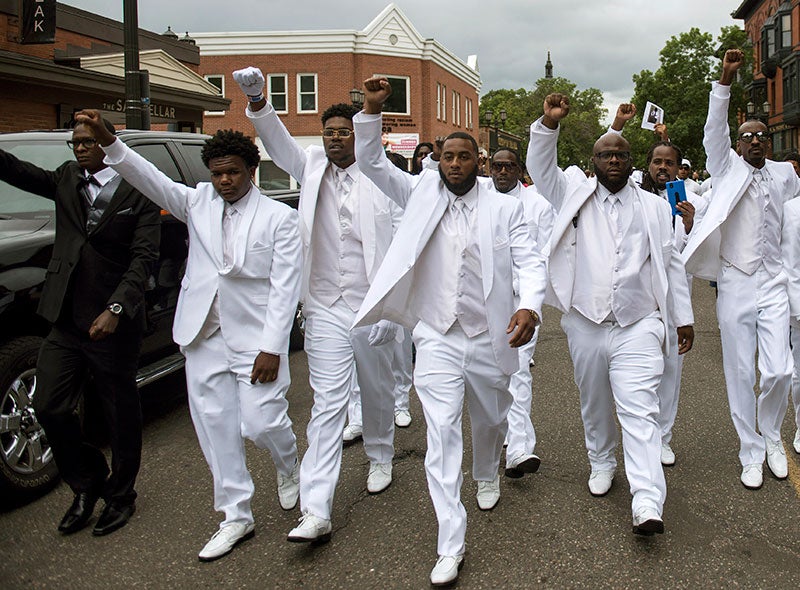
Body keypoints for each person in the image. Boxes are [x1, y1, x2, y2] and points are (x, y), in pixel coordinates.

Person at [75, 111, 302, 561]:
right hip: (202, 336)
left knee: (261, 423)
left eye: (233, 173)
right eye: (217, 174)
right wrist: (111, 142)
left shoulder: (280, 218)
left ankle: (289, 464)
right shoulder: (197, 202)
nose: (224, 182)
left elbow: (285, 286)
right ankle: (235, 515)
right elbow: (150, 178)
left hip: (256, 340)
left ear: (250, 172)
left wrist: (273, 346)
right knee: (216, 429)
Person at [352, 76, 547, 586]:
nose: (455, 164)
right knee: (440, 434)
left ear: (478, 161)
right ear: (437, 159)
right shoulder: (417, 192)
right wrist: (372, 110)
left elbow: (530, 259)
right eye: (447, 156)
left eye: (464, 157)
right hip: (436, 334)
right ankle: (450, 542)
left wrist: (529, 306)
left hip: (488, 334)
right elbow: (371, 163)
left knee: (490, 417)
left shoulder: (506, 206)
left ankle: (487, 471)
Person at [233, 66, 402, 544]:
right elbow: (278, 140)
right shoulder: (308, 166)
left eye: (343, 133)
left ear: (357, 137)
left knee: (376, 387)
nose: (333, 140)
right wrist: (259, 99)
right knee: (328, 403)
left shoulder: (381, 173)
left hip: (371, 302)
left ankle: (382, 454)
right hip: (325, 301)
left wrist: (393, 308)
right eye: (328, 133)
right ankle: (316, 509)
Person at [527, 96, 694, 536]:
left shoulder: (655, 207)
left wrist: (683, 317)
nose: (613, 159)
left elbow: (671, 263)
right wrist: (548, 122)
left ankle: (646, 500)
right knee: (594, 400)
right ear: (593, 161)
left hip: (639, 322)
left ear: (631, 160)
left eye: (620, 154)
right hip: (585, 320)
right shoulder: (571, 193)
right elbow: (541, 164)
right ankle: (601, 461)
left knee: (640, 408)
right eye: (605, 154)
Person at [0, 118, 160, 536]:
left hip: (114, 324)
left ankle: (121, 496)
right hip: (67, 319)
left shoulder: (137, 187)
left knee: (119, 416)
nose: (81, 149)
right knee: (49, 406)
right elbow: (18, 171)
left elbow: (143, 259)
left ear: (108, 143)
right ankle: (87, 483)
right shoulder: (67, 177)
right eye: (76, 143)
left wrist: (116, 309)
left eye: (88, 142)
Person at [683, 49, 800, 489]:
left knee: (779, 370)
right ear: (737, 143)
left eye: (761, 136)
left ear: (768, 142)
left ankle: (772, 436)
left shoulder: (785, 175)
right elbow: (714, 131)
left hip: (773, 282)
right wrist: (724, 81)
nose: (755, 141)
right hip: (734, 280)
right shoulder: (725, 166)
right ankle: (749, 450)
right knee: (739, 370)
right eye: (747, 135)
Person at [610, 106, 707, 466]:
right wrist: (619, 124)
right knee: (634, 374)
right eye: (657, 161)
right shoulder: (630, 191)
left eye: (670, 163)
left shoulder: (687, 199)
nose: (663, 167)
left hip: (672, 299)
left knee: (670, 370)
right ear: (646, 165)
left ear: (679, 169)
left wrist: (691, 225)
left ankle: (662, 435)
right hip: (637, 299)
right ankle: (637, 434)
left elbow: (687, 255)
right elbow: (608, 156)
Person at [488, 148, 555, 477]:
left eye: (509, 166)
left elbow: (542, 256)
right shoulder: (478, 200)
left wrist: (531, 303)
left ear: (519, 170)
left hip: (522, 302)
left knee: (518, 372)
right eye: (497, 166)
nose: (502, 172)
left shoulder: (538, 205)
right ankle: (505, 433)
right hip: (483, 301)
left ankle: (519, 449)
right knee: (492, 376)